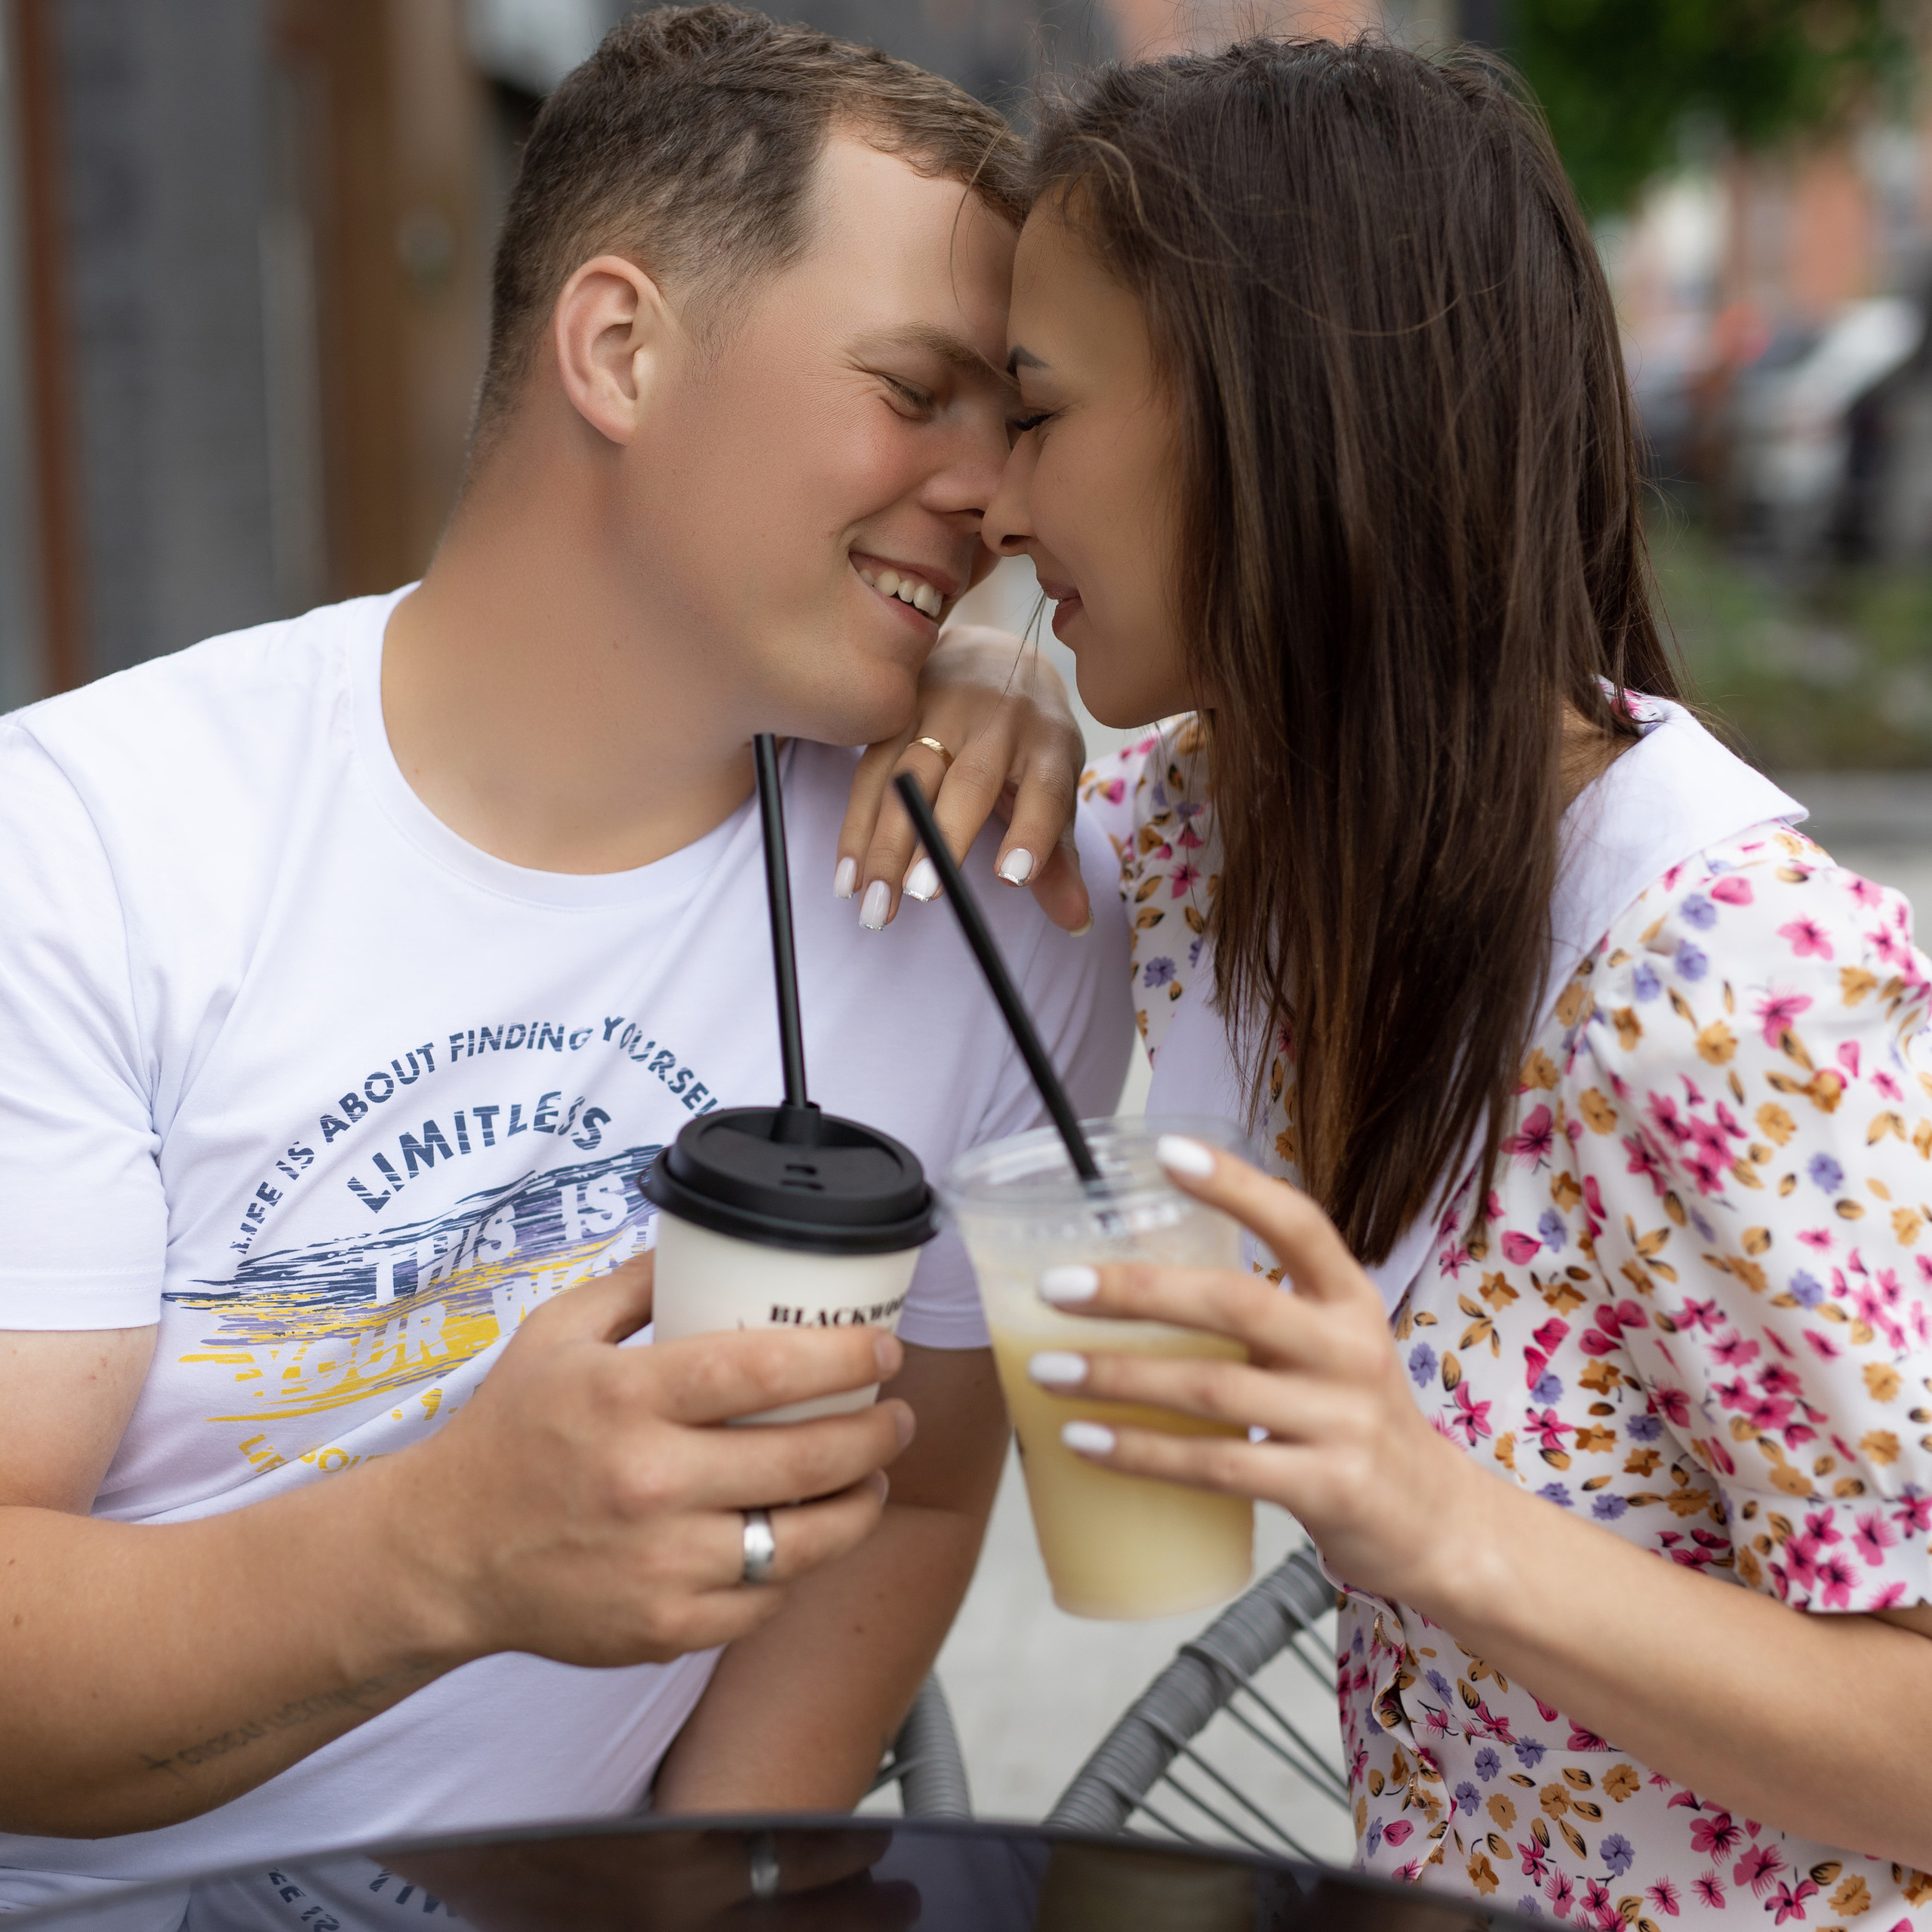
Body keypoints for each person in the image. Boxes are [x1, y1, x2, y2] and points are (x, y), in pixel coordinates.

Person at [0, 4, 1130, 1903]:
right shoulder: (91, 846)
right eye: (913, 388)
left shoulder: (981, 899)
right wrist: (448, 1543)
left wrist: (684, 1885)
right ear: (617, 345)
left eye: (1012, 422)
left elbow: (917, 1482)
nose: (994, 493)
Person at [850, 34, 1932, 1921]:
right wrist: (988, 675)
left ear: (1277, 421)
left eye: (1033, 412)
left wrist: (1422, 1512)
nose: (997, 508)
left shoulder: (1735, 984)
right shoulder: (1224, 832)